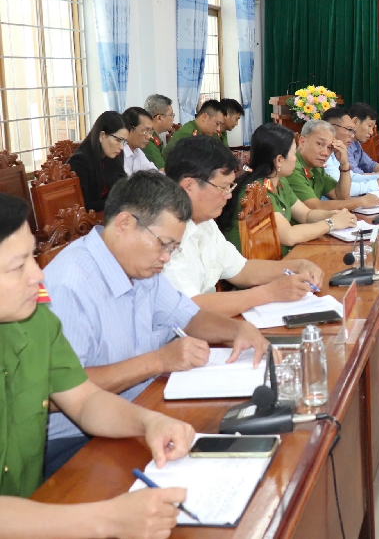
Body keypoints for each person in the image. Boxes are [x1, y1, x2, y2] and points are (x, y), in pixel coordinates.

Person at [43, 171, 269, 474]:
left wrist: (238, 330)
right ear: (124, 223)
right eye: (164, 244)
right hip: (76, 440)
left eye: (173, 249)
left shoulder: (141, 267)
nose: (166, 257)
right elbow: (60, 393)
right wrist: (158, 361)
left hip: (143, 406)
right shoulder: (68, 286)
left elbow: (189, 316)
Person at [0, 193, 197, 537]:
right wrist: (107, 519)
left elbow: (84, 400)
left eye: (32, 256)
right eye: (18, 267)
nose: (38, 275)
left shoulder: (35, 320)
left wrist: (148, 422)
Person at [162, 135, 326, 316]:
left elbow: (241, 269)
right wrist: (269, 293)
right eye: (223, 187)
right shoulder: (163, 235)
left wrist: (300, 266)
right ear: (189, 186)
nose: (229, 195)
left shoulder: (205, 223)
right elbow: (190, 307)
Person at [220, 124, 357, 256]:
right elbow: (289, 236)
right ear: (279, 160)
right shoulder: (257, 190)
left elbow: (306, 215)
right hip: (260, 266)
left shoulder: (280, 181)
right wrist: (332, 223)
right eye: (293, 153)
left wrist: (334, 214)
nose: (295, 158)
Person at [287, 119, 379, 211]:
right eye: (320, 144)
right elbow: (315, 207)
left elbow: (341, 196)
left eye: (329, 147)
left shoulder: (316, 167)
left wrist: (344, 164)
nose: (325, 153)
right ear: (302, 142)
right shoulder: (292, 167)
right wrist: (361, 201)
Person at [68, 111, 128, 212]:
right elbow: (83, 206)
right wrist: (117, 203)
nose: (122, 147)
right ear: (102, 136)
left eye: (124, 142)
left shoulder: (114, 155)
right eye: (118, 140)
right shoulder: (80, 162)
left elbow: (122, 187)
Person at [121, 107, 158, 176]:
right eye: (145, 131)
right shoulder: (118, 152)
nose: (148, 136)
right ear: (129, 128)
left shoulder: (138, 152)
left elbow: (154, 173)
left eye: (150, 131)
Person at [142, 93, 175, 169]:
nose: (173, 119)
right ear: (159, 118)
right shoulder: (148, 142)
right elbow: (161, 172)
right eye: (171, 115)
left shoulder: (154, 138)